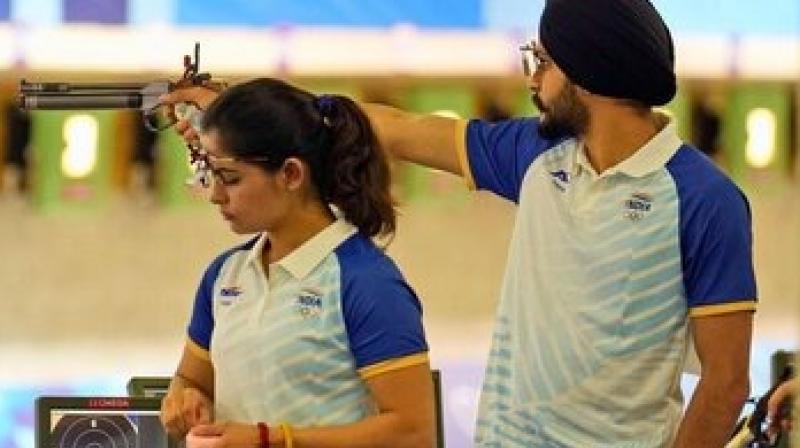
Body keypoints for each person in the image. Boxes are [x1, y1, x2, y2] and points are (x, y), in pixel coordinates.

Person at [162, 1, 757, 445]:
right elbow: (393, 127)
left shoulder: (705, 199)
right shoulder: (537, 156)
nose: (531, 79)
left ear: (586, 74)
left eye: (542, 63)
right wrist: (239, 107)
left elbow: (727, 382)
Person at [159, 78, 435, 448]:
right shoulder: (224, 274)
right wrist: (183, 397)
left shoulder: (366, 282)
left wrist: (271, 440)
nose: (215, 195)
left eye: (230, 178)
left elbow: (412, 433)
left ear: (291, 174)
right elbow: (192, 380)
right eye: (209, 175)